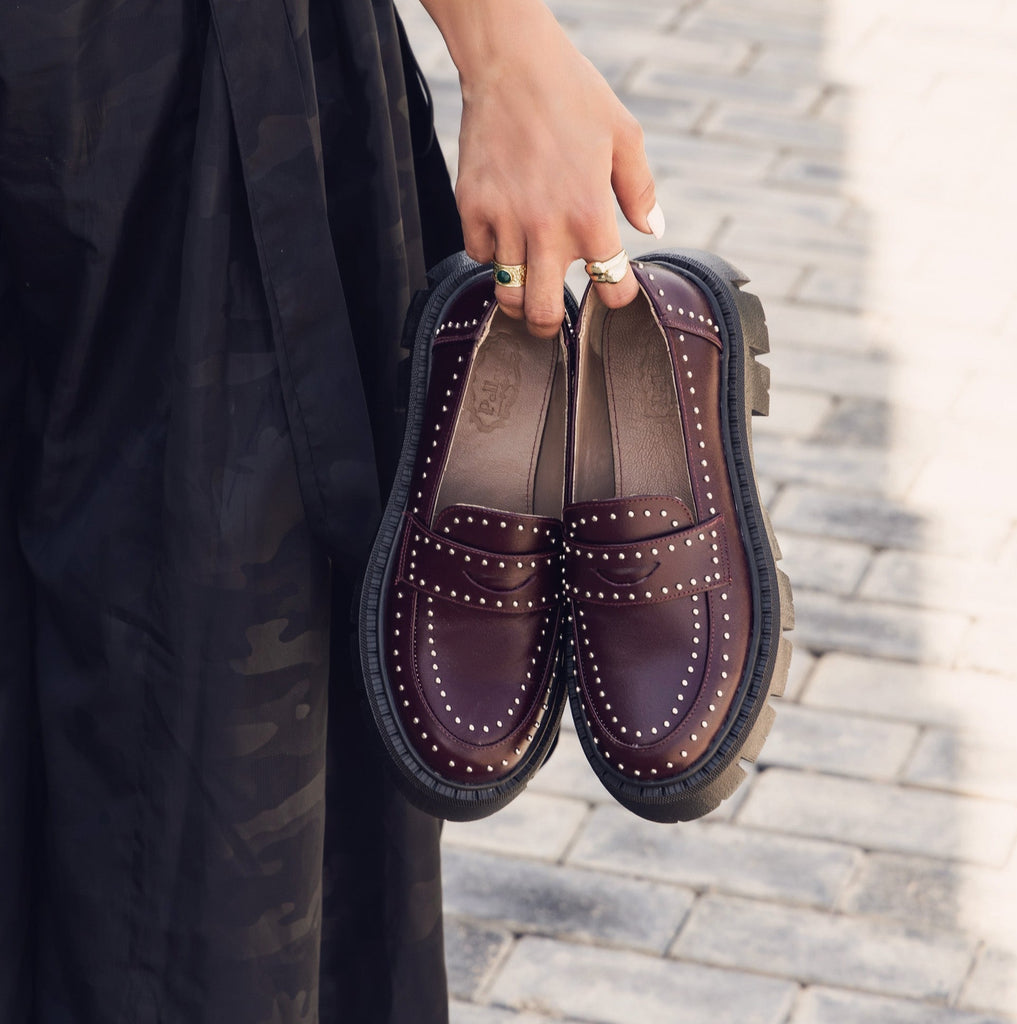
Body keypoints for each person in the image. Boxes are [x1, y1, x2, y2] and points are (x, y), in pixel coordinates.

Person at [0, 0, 661, 1020]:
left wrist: (505, 48)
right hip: (174, 118)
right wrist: (502, 44)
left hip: (172, 111)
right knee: (193, 838)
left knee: (186, 813)